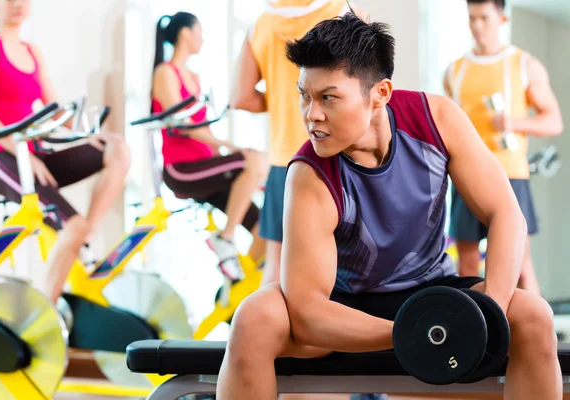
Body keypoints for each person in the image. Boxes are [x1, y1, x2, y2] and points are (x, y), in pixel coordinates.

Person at [217, 13, 561, 400]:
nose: (311, 114)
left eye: (328, 97)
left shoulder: (436, 119)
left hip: (431, 289)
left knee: (532, 316)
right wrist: (410, 330)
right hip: (343, 309)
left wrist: (485, 316)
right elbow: (308, 310)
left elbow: (505, 214)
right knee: (253, 319)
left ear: (380, 93)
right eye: (304, 95)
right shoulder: (309, 175)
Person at [0, 0, 131, 303]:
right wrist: (23, 154)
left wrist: (93, 134)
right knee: (72, 227)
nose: (17, 4)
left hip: (33, 157)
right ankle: (45, 314)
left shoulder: (33, 52)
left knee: (118, 151)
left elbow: (53, 112)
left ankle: (84, 239)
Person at [231, 0, 369, 286]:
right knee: (348, 268)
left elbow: (240, 96)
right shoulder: (346, 12)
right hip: (340, 157)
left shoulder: (261, 22)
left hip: (285, 161)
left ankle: (271, 331)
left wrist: (287, 102)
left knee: (277, 272)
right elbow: (366, 90)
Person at [444, 0, 563, 295]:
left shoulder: (524, 65)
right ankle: (473, 337)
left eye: (484, 17)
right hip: (466, 175)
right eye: (472, 18)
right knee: (468, 266)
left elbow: (554, 122)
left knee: (520, 267)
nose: (477, 25)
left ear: (502, 19)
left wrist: (513, 123)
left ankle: (534, 337)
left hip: (510, 176)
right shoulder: (455, 71)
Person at [151, 13, 267, 280]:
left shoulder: (193, 77)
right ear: (185, 34)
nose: (203, 38)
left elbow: (203, 130)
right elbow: (183, 125)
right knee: (254, 158)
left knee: (266, 226)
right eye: (199, 32)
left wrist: (222, 153)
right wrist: (230, 146)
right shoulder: (165, 73)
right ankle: (225, 239)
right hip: (182, 170)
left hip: (206, 169)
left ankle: (236, 285)